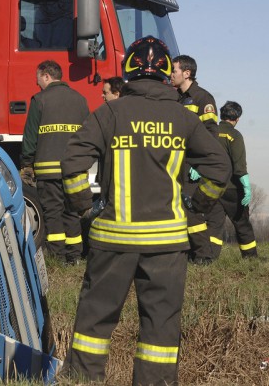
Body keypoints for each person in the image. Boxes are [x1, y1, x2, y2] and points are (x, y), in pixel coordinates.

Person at [60, 36, 230, 385]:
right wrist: (198, 205)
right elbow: (219, 167)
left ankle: (82, 380)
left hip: (113, 240)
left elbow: (73, 162)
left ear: (129, 72)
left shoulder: (109, 113)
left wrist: (83, 208)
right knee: (160, 330)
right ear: (167, 73)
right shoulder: (183, 118)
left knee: (95, 321)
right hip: (168, 244)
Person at [20, 60, 89, 265]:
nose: (37, 83)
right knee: (72, 211)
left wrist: (26, 162)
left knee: (53, 213)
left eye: (38, 78)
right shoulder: (80, 100)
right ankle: (75, 256)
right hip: (74, 169)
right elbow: (87, 134)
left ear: (47, 76)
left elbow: (30, 136)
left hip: (48, 171)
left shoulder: (40, 100)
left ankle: (58, 258)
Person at [171, 54, 221, 264]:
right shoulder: (174, 99)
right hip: (176, 164)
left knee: (191, 209)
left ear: (187, 73)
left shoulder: (203, 98)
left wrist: (200, 164)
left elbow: (210, 133)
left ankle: (203, 255)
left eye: (174, 70)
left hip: (192, 164)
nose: (171, 74)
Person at [204, 101, 259, 259]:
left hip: (212, 187)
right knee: (242, 225)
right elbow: (239, 165)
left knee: (213, 225)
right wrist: (246, 186)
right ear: (238, 118)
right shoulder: (234, 135)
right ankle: (250, 258)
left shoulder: (210, 132)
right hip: (233, 189)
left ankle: (209, 258)